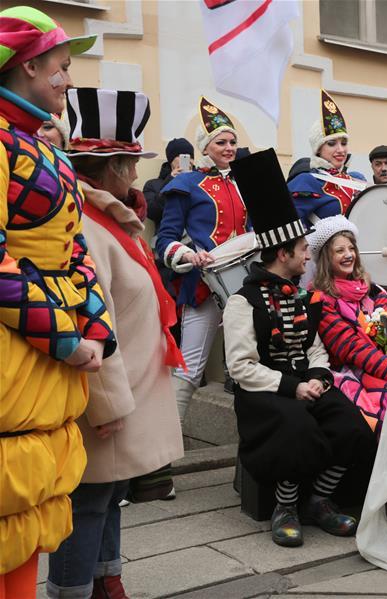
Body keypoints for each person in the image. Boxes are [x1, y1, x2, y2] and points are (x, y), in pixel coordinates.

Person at [47, 88, 184, 599]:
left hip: (127, 390)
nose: (133, 175)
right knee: (87, 501)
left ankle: (107, 578)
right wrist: (107, 406)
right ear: (110, 170)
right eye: (129, 165)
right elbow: (89, 322)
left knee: (110, 491)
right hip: (107, 394)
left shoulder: (109, 220)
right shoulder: (86, 226)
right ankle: (74, 590)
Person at [0, 7, 116, 596]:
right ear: (28, 66)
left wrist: (94, 329)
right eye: (62, 68)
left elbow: (75, 250)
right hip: (13, 359)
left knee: (26, 516)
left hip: (41, 362)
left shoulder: (38, 149)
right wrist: (67, 339)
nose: (69, 81)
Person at [223, 149, 375, 547]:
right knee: (297, 427)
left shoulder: (300, 297)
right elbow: (242, 367)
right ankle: (285, 505)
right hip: (266, 394)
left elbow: (317, 349)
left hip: (306, 385)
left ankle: (318, 499)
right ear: (283, 254)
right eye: (303, 250)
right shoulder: (243, 302)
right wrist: (293, 387)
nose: (309, 256)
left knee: (352, 426)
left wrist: (319, 378)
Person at [155, 96, 250, 424]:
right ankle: (166, 444)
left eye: (233, 141)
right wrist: (188, 255)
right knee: (192, 365)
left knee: (249, 363)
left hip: (245, 285)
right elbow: (164, 241)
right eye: (221, 142)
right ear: (205, 148)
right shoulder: (186, 184)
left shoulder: (244, 184)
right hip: (204, 284)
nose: (229, 147)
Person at [307, 215, 387, 435]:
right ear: (326, 258)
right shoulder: (320, 299)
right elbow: (352, 349)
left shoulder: (376, 291)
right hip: (350, 373)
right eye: (339, 251)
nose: (349, 255)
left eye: (351, 248)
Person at [288, 90, 366, 228]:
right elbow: (292, 230)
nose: (341, 150)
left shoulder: (356, 180)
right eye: (331, 144)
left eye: (343, 143)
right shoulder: (306, 182)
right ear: (318, 149)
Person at [145, 138, 194, 228]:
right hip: (166, 233)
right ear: (171, 160)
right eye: (183, 157)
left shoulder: (200, 181)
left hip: (195, 236)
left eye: (191, 157)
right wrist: (171, 181)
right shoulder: (153, 184)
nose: (188, 161)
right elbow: (152, 212)